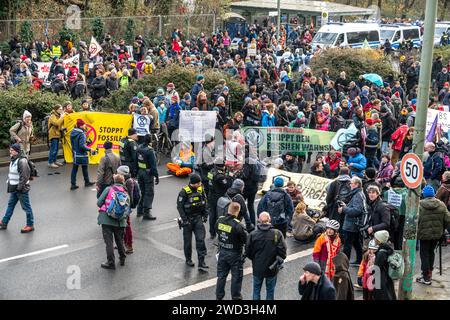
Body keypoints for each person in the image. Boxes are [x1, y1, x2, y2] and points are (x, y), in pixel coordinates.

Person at [245, 211, 287, 300]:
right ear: (270, 219)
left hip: (257, 268)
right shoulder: (277, 233)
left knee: (256, 290)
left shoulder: (253, 234)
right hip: (272, 268)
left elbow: (248, 252)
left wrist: (255, 259)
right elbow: (283, 252)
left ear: (258, 220)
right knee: (270, 291)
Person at [416, 185, 450, 285]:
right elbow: (448, 219)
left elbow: (415, 220)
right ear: (434, 194)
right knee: (431, 252)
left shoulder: (419, 205)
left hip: (423, 234)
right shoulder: (441, 205)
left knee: (424, 254)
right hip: (436, 234)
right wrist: (442, 228)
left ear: (424, 194)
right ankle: (429, 273)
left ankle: (426, 277)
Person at [215, 202, 248, 300]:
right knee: (236, 278)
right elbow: (245, 240)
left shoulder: (219, 220)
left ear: (228, 209)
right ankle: (236, 298)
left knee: (221, 276)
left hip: (222, 252)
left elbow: (217, 231)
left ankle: (219, 297)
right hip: (234, 254)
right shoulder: (238, 225)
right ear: (237, 212)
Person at [96, 174, 129, 270]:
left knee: (109, 242)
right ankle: (122, 258)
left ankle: (111, 262)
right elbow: (127, 208)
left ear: (114, 181)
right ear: (123, 182)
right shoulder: (125, 193)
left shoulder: (108, 189)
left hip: (106, 219)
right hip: (120, 221)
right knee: (120, 240)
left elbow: (99, 203)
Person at [0, 144, 35, 233]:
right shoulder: (14, 159)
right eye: (10, 150)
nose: (10, 152)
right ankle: (4, 222)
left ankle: (30, 225)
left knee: (26, 207)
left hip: (21, 189)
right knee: (10, 205)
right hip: (14, 188)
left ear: (17, 151)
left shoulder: (22, 161)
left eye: (12, 150)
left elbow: (24, 176)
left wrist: (19, 188)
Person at [177, 173, 209, 270]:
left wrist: (205, 215)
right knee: (187, 242)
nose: (200, 184)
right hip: (188, 220)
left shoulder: (200, 189)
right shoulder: (184, 192)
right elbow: (180, 207)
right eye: (198, 182)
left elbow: (205, 202)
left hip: (198, 218)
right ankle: (188, 259)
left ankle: (201, 261)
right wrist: (185, 220)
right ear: (193, 183)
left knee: (201, 240)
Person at [339, 176, 366, 266]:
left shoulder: (358, 195)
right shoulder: (358, 193)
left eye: (352, 183)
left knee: (347, 244)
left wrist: (344, 209)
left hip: (351, 224)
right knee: (356, 242)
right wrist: (346, 206)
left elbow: (357, 210)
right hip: (354, 224)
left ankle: (344, 263)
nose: (350, 185)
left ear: (357, 184)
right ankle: (359, 260)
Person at [208, 158, 233, 239]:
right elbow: (228, 185)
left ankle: (212, 233)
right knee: (221, 215)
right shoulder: (220, 176)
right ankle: (220, 233)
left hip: (211, 195)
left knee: (212, 214)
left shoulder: (211, 171)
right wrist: (230, 176)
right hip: (219, 197)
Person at [136, 134, 159, 220]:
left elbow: (136, 160)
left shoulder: (139, 147)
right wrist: (156, 176)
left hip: (140, 172)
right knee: (149, 193)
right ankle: (147, 213)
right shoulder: (150, 151)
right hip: (147, 174)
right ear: (150, 141)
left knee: (143, 192)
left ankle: (139, 210)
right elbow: (153, 166)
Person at [69, 119, 95, 190]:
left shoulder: (73, 132)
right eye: (84, 124)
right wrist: (90, 149)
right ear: (81, 126)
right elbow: (81, 146)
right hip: (82, 154)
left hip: (75, 153)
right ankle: (87, 182)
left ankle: (73, 184)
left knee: (74, 169)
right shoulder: (82, 134)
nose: (85, 125)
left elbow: (75, 143)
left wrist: (85, 142)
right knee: (85, 168)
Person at [373, 230, 397, 300]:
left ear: (379, 240)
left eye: (375, 238)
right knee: (389, 293)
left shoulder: (381, 253)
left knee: (381, 295)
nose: (374, 239)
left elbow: (377, 268)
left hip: (380, 279)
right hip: (386, 277)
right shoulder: (386, 249)